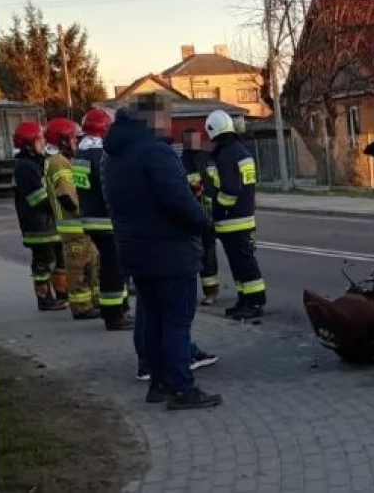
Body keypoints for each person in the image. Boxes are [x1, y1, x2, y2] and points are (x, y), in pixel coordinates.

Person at [104, 93, 221, 410]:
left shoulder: (114, 155)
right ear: (152, 119)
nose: (169, 123)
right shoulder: (155, 152)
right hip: (169, 251)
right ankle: (182, 387)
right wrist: (205, 224)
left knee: (152, 318)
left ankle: (158, 384)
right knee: (176, 323)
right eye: (166, 117)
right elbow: (177, 201)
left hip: (135, 250)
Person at [74, 108, 134, 331]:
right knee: (114, 268)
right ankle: (114, 315)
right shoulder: (100, 153)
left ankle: (120, 309)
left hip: (91, 218)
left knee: (111, 267)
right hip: (106, 219)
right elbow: (109, 186)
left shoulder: (81, 153)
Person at [205, 110, 266, 321]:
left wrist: (219, 210)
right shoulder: (240, 151)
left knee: (244, 263)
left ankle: (254, 302)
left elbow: (231, 190)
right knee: (240, 263)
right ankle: (245, 299)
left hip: (232, 220)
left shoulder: (226, 154)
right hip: (243, 217)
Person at [44, 117, 102, 320]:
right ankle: (81, 307)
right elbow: (66, 195)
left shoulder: (64, 161)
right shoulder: (58, 162)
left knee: (92, 265)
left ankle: (92, 302)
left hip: (80, 228)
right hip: (73, 227)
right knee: (78, 269)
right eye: (73, 139)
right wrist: (84, 211)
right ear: (62, 140)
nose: (76, 143)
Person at [11, 121, 67, 311]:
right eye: (39, 139)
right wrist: (62, 202)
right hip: (38, 227)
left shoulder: (35, 162)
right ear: (28, 144)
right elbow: (38, 199)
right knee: (43, 264)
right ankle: (45, 299)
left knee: (60, 261)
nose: (43, 142)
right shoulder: (25, 167)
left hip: (49, 225)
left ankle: (61, 294)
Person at [180, 128, 220, 306]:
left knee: (209, 255)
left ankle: (211, 291)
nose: (194, 142)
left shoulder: (208, 158)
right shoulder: (181, 162)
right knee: (189, 255)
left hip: (209, 214)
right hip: (190, 217)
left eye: (196, 138)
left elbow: (216, 182)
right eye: (190, 139)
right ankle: (188, 293)